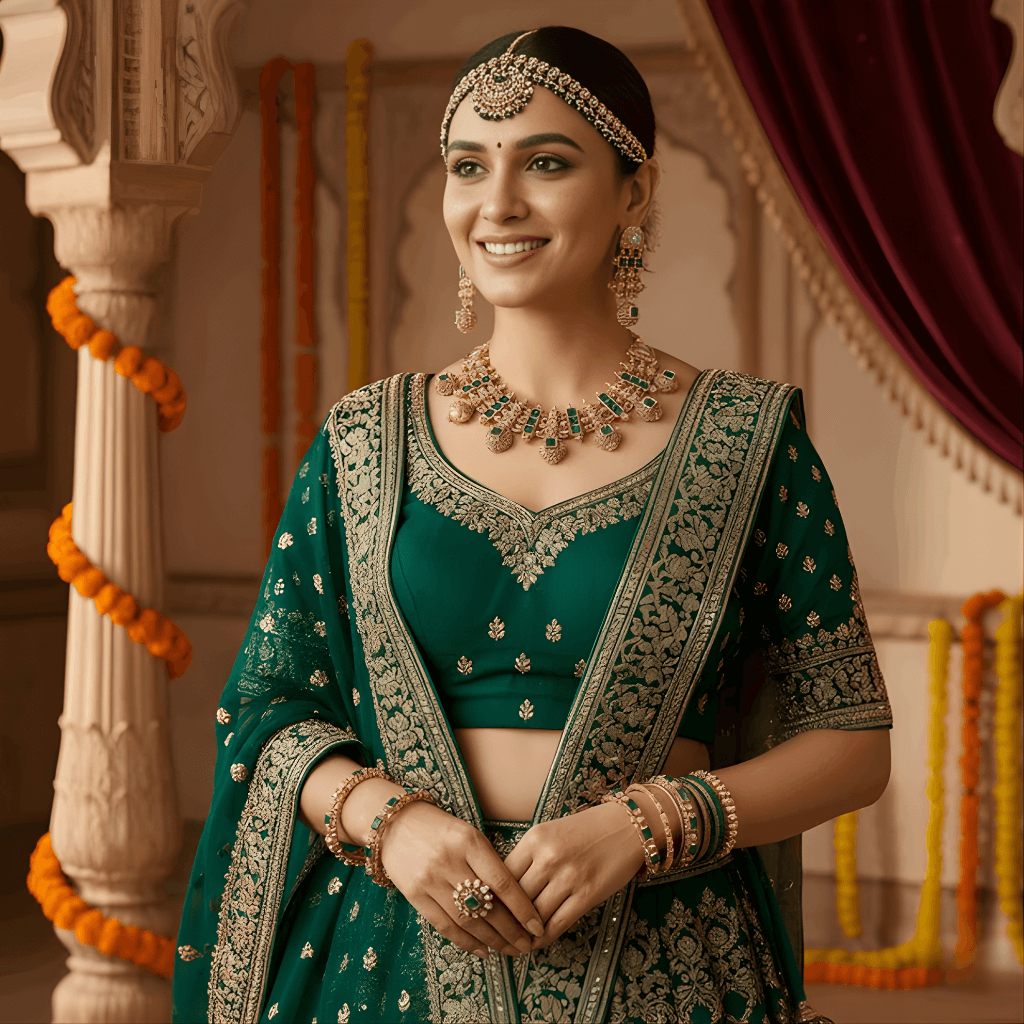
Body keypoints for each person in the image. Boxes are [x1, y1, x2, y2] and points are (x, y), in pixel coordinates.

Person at [173, 26, 892, 1024]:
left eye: (546, 163)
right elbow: (269, 708)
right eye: (469, 166)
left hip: (665, 959)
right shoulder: (363, 441)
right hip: (388, 954)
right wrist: (391, 824)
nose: (498, 203)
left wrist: (645, 823)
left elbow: (851, 740)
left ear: (635, 193)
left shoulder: (744, 441)